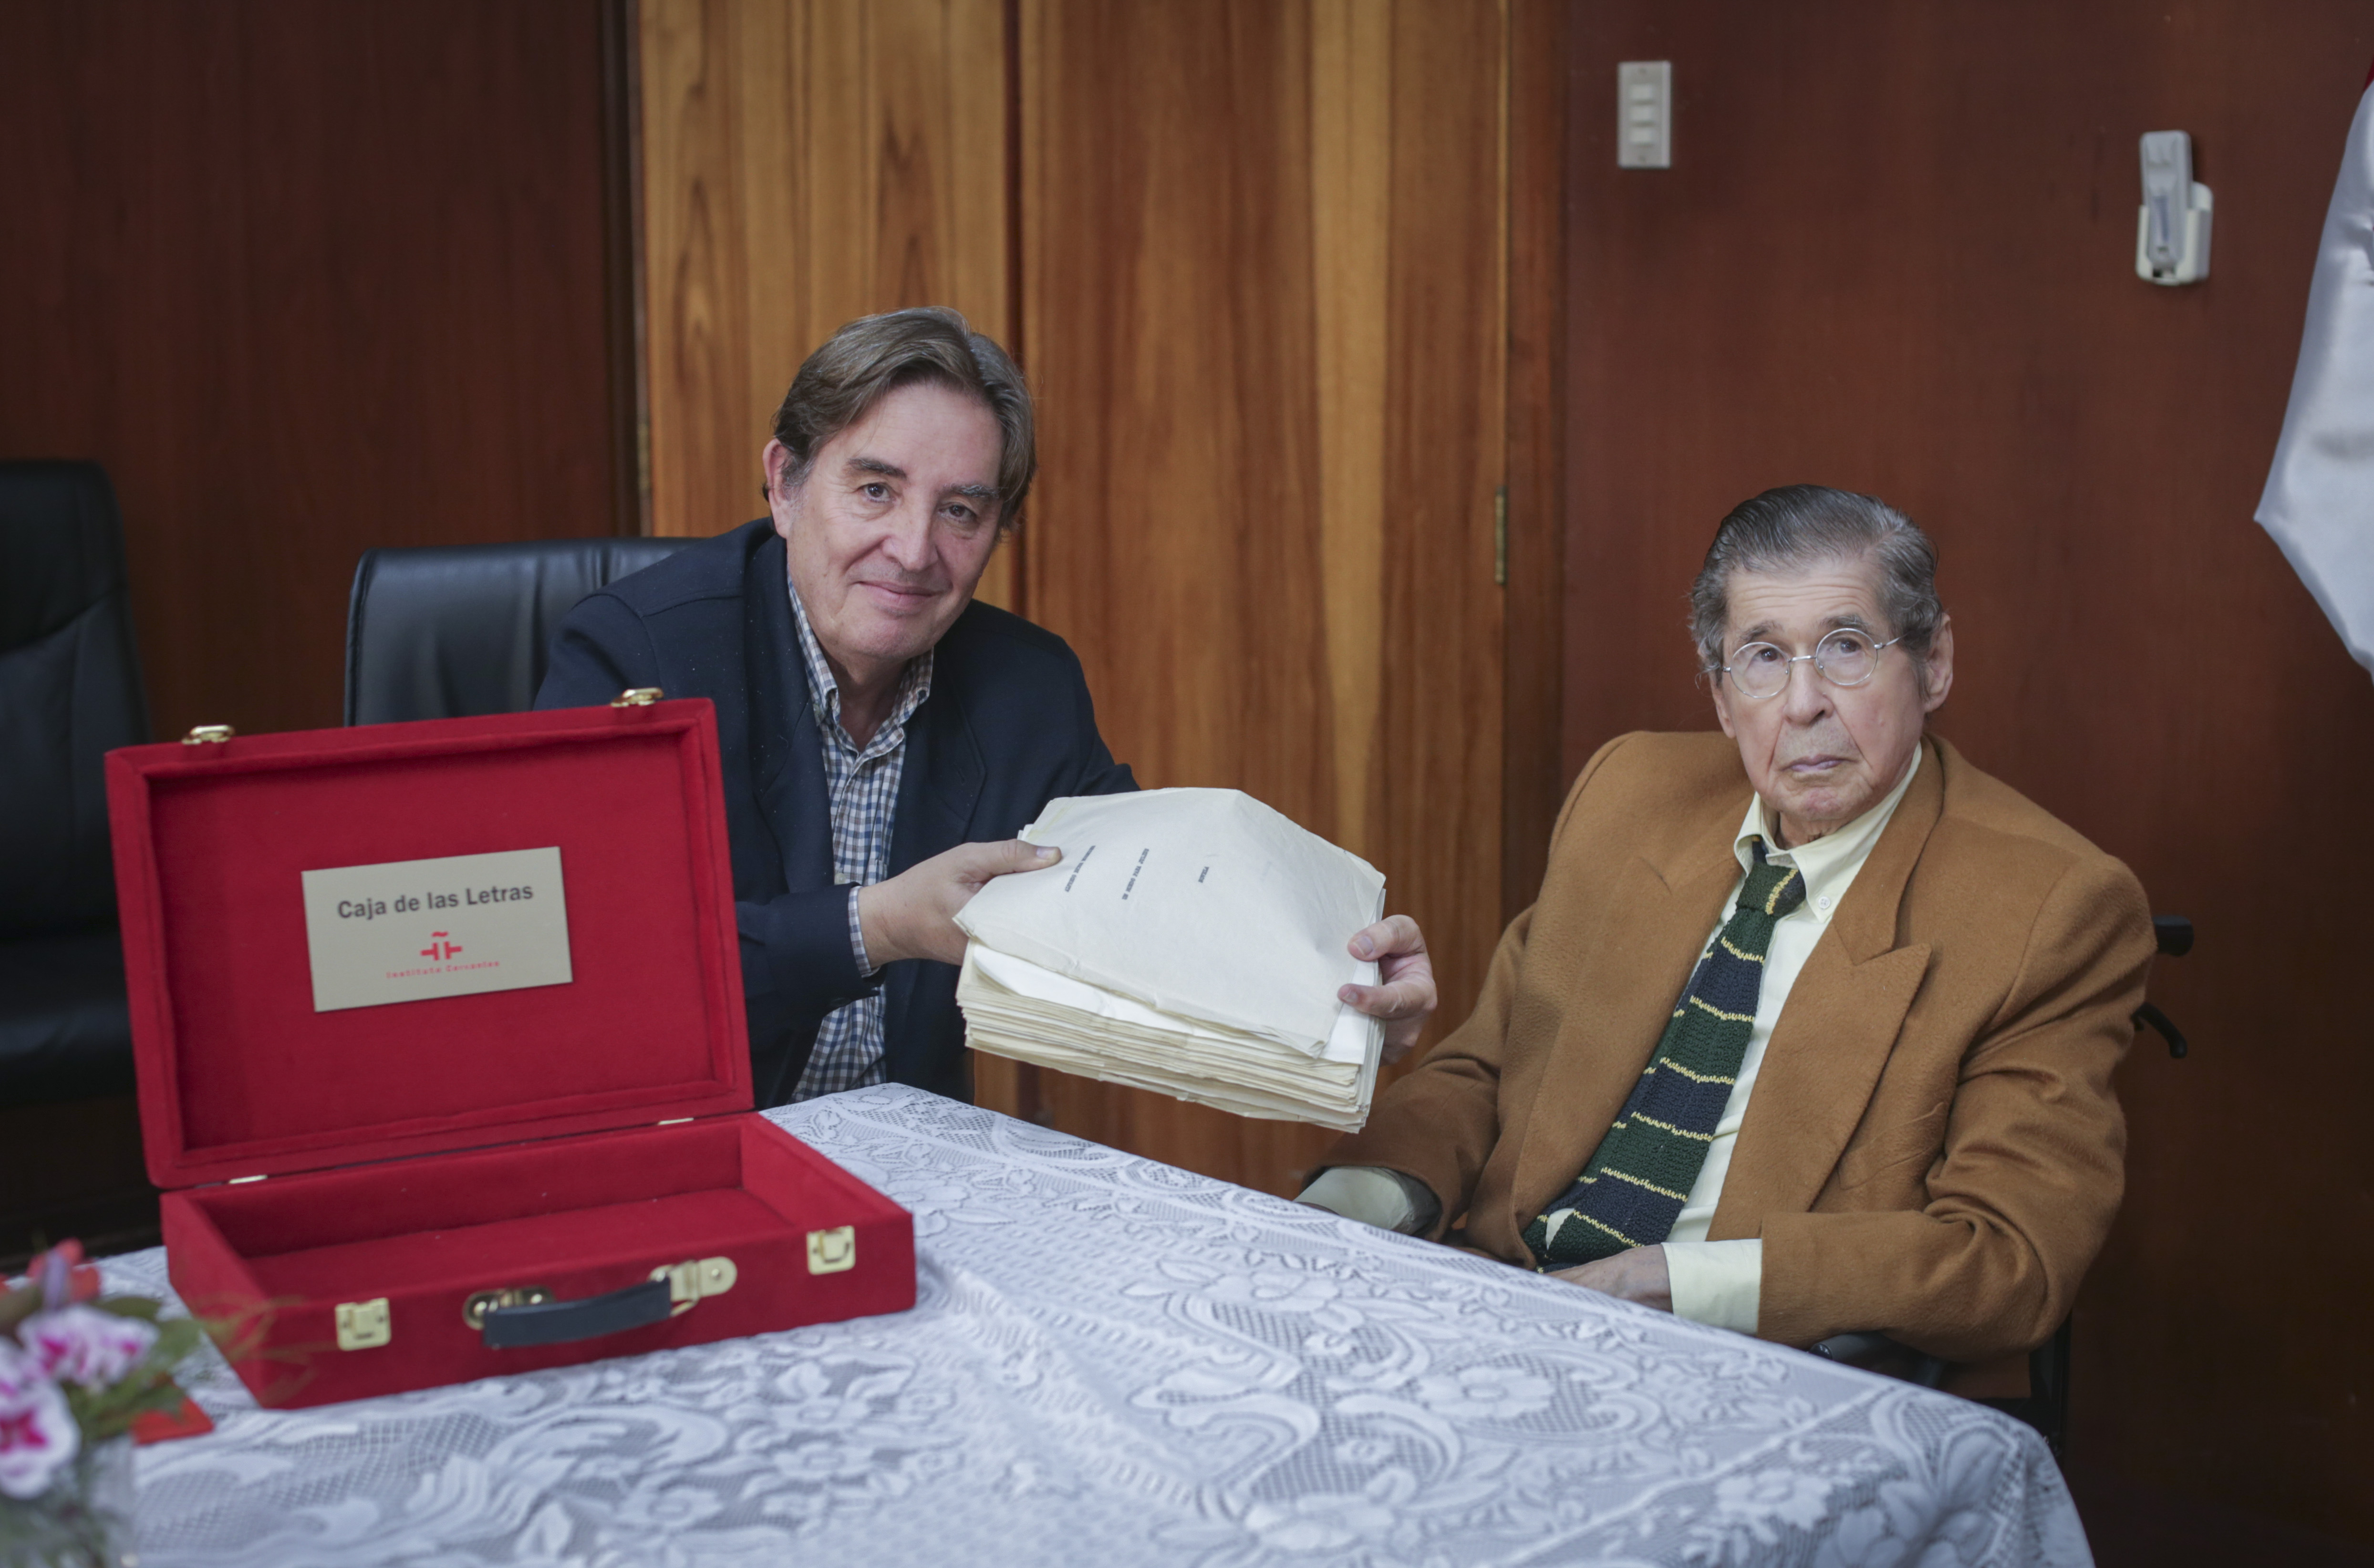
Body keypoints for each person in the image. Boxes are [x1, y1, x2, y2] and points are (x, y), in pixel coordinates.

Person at [1299, 485, 2153, 1393]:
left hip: (1749, 1367)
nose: (1802, 704)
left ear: (1934, 662)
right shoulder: (1629, 791)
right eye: (1761, 657)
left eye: (1846, 648)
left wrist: (1678, 1284)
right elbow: (1486, 1074)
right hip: (1505, 1312)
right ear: (1719, 695)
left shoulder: (2053, 906)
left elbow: (2007, 1261)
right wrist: (1356, 1203)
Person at [538, 308, 1434, 1106]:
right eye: (876, 490)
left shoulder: (1026, 688)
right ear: (785, 484)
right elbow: (595, 974)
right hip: (681, 1149)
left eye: (960, 511)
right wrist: (876, 927)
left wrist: (1342, 1000)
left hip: (916, 1172)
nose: (914, 550)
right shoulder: (638, 653)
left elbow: (1151, 914)